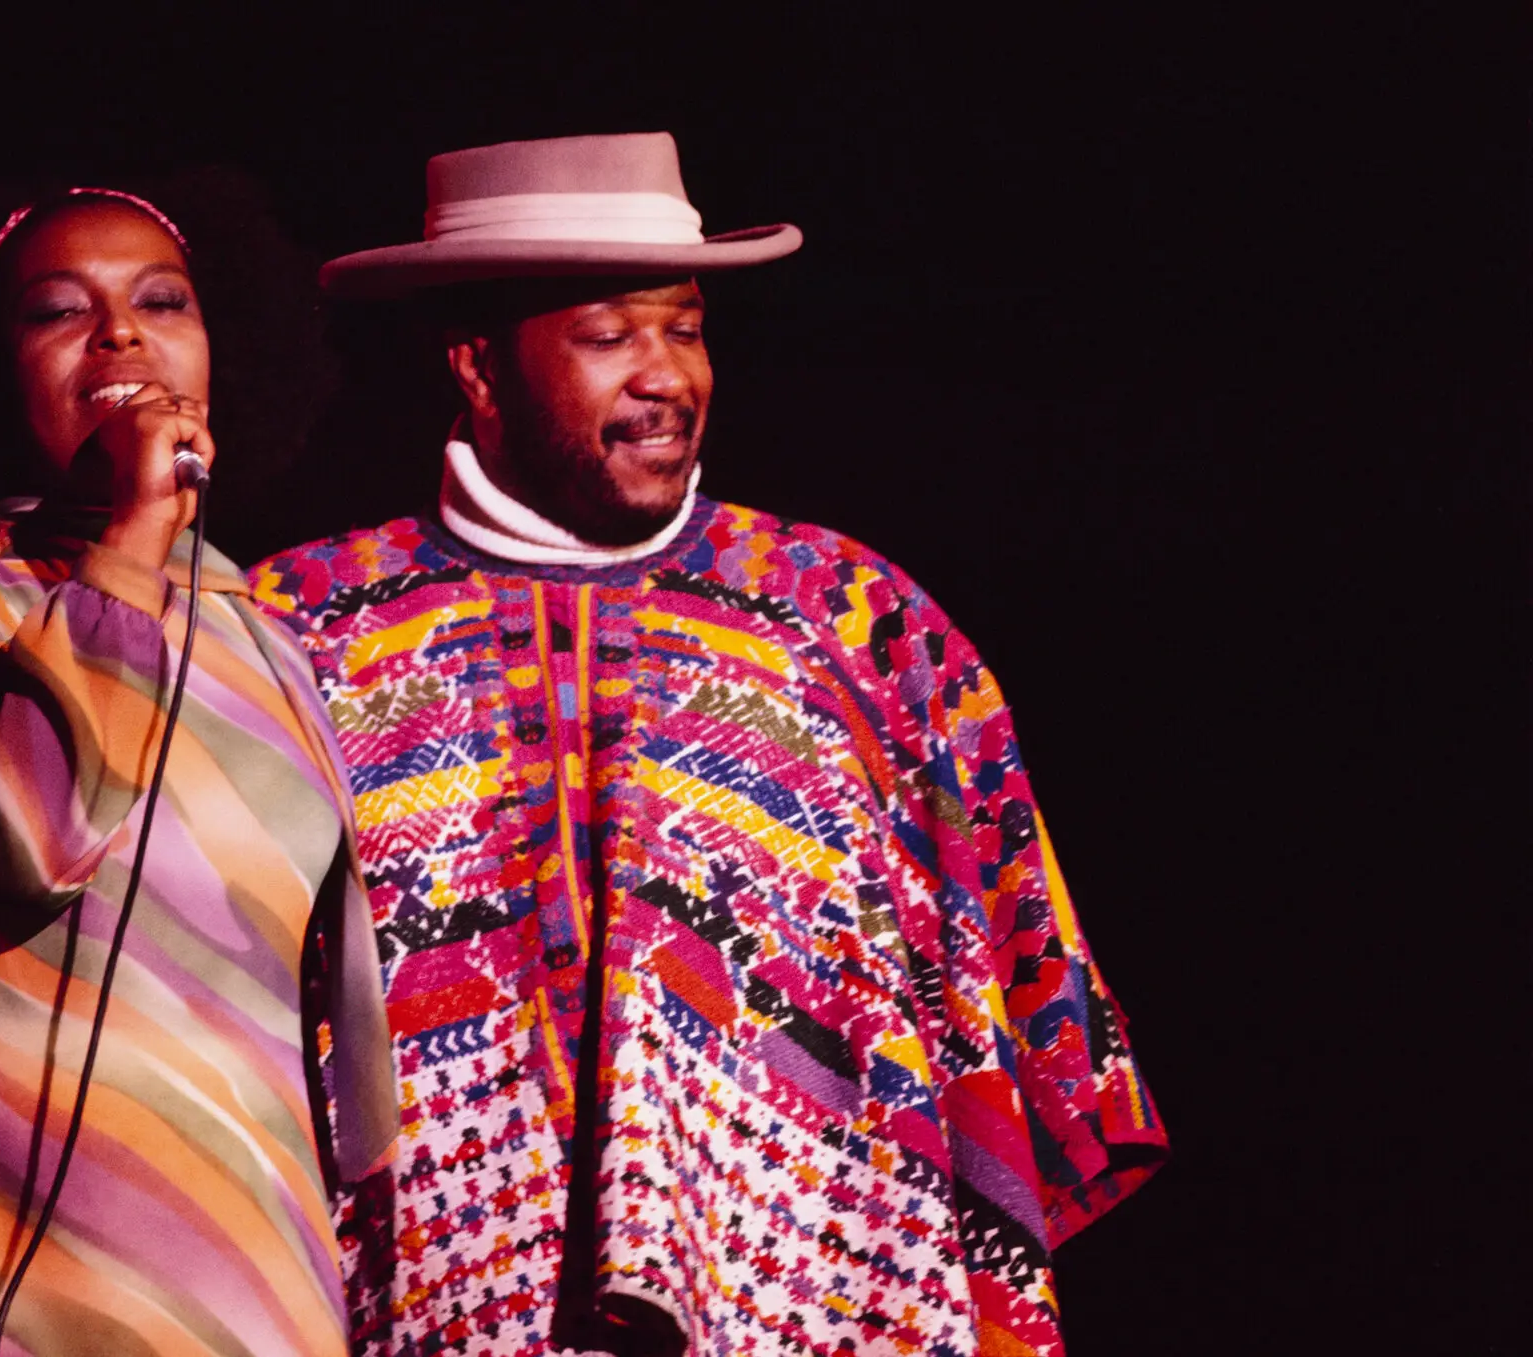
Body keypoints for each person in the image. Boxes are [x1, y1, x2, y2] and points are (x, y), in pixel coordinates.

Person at [250, 134, 1168, 1357]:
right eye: (607, 334)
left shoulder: (851, 622)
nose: (664, 375)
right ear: (476, 365)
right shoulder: (302, 632)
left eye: (683, 328)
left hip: (804, 1310)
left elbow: (1013, 1014)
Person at [0, 184, 395, 1357]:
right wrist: (128, 542)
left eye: (160, 302)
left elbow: (333, 991)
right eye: (57, 312)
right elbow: (18, 838)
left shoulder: (264, 636)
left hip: (248, 1267)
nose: (121, 335)